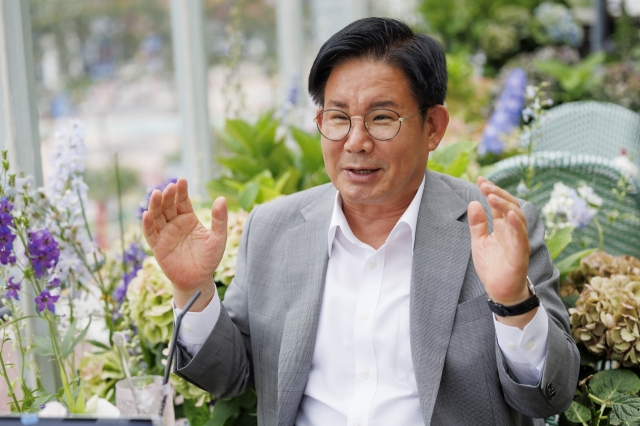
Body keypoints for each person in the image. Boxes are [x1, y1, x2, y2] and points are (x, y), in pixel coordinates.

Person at [142, 18, 579, 426]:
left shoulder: (492, 228)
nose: (355, 141)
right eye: (337, 118)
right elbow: (230, 375)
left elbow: (546, 398)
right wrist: (193, 290)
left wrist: (513, 303)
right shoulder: (273, 228)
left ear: (433, 127)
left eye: (381, 118)